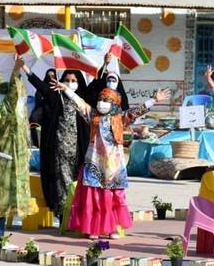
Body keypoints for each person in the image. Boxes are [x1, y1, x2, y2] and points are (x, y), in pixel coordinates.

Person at [52, 79, 171, 239]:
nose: (102, 103)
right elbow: (79, 102)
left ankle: (112, 228)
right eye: (100, 99)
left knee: (114, 197)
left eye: (106, 100)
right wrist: (66, 89)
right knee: (94, 197)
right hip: (94, 162)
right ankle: (93, 229)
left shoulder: (121, 118)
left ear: (114, 103)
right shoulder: (93, 115)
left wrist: (154, 99)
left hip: (113, 166)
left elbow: (137, 111)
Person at [23, 64, 90, 217]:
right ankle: (64, 214)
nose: (70, 83)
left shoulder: (82, 100)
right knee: (62, 182)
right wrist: (26, 69)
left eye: (73, 80)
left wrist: (105, 65)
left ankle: (77, 213)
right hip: (60, 150)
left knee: (77, 182)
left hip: (78, 150)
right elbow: (42, 87)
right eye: (67, 80)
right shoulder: (57, 98)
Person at [0, 56, 33, 241]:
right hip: (6, 156)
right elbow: (12, 90)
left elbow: (6, 90)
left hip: (12, 155)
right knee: (0, 199)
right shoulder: (10, 110)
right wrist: (16, 69)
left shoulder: (10, 110)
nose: (20, 97)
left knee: (4, 200)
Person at [29, 68, 57, 147]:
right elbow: (38, 101)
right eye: (48, 76)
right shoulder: (41, 87)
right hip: (41, 112)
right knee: (33, 118)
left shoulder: (58, 89)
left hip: (53, 114)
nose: (50, 78)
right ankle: (36, 143)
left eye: (53, 76)